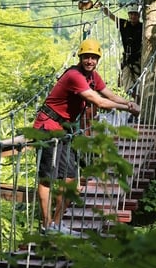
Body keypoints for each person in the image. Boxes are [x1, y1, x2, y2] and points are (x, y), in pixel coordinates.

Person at [33, 38, 140, 236]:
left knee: (71, 182)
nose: (89, 60)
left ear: (97, 59)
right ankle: (47, 226)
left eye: (93, 57)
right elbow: (99, 102)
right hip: (47, 126)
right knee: (48, 179)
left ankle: (55, 226)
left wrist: (129, 103)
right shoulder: (74, 76)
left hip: (64, 130)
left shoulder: (92, 76)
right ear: (80, 57)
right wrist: (128, 108)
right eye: (86, 57)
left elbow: (109, 94)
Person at [100, 2, 143, 101]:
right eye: (131, 14)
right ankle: (138, 103)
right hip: (127, 59)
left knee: (139, 85)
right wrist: (103, 7)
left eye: (135, 14)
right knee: (128, 88)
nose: (133, 16)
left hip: (138, 59)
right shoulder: (124, 24)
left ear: (139, 16)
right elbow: (112, 16)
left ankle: (138, 104)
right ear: (128, 15)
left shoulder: (142, 27)